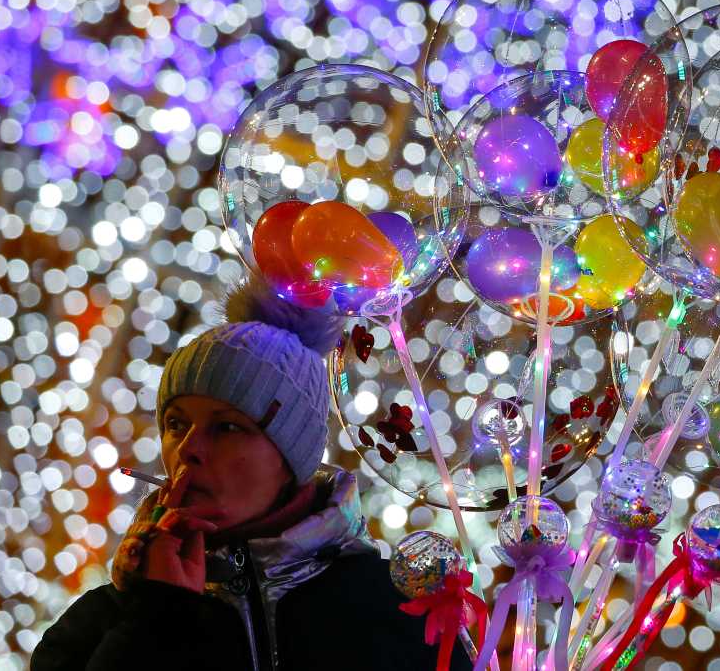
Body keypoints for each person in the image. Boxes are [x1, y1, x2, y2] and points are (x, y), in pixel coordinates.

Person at [33, 276, 469, 671]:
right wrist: (155, 618)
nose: (189, 450)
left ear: (291, 457)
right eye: (176, 424)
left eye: (227, 427)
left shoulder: (393, 611)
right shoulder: (99, 624)